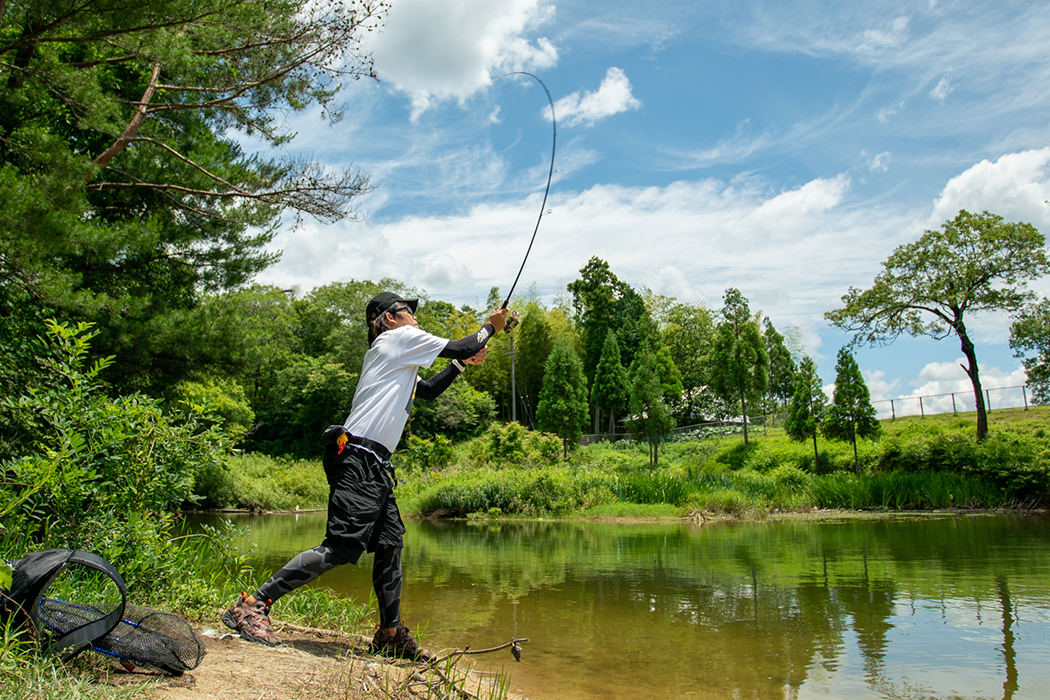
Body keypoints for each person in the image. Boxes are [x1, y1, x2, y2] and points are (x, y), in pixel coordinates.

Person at [222, 292, 509, 660]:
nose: (416, 319)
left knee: (390, 544)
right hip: (358, 456)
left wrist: (460, 366)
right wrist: (490, 326)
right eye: (409, 312)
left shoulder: (396, 356)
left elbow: (427, 391)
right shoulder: (397, 339)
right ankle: (252, 604)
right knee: (341, 547)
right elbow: (464, 343)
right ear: (389, 318)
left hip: (374, 463)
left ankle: (390, 634)